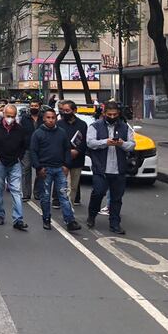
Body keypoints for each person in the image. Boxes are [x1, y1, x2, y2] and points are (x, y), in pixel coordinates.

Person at [86, 101, 135, 235]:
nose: (112, 117)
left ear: (118, 114)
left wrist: (122, 144)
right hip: (101, 169)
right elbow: (90, 143)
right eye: (109, 114)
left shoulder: (125, 127)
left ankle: (115, 224)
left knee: (117, 198)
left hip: (118, 169)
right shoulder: (95, 126)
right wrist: (105, 142)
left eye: (115, 114)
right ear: (104, 113)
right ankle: (91, 215)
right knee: (98, 193)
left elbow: (132, 145)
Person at [30, 108, 81, 232]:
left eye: (53, 118)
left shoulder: (62, 132)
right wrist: (38, 167)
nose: (51, 120)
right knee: (45, 197)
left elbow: (67, 150)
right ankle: (46, 219)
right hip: (45, 170)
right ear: (44, 118)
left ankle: (70, 221)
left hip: (59, 169)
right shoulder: (38, 133)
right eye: (48, 117)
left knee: (64, 195)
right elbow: (33, 152)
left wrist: (66, 165)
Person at [0, 104, 29, 230]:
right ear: (3, 114)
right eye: (8, 115)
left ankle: (18, 219)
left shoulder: (20, 129)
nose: (10, 118)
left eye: (12, 116)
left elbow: (24, 145)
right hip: (0, 163)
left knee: (16, 191)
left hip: (14, 163)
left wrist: (19, 157)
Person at [56, 100, 88, 206]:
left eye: (67, 110)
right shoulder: (59, 124)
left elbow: (85, 142)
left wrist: (77, 151)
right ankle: (64, 206)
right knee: (64, 185)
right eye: (63, 110)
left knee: (73, 187)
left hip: (77, 160)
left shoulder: (82, 125)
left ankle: (70, 206)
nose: (65, 113)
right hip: (63, 160)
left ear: (74, 111)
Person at [20, 99, 42, 201]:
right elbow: (20, 133)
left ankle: (37, 192)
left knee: (40, 171)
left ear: (39, 107)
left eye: (36, 106)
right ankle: (26, 194)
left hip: (41, 149)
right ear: (29, 107)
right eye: (32, 106)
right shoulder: (24, 118)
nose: (34, 107)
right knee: (26, 171)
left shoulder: (43, 118)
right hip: (27, 148)